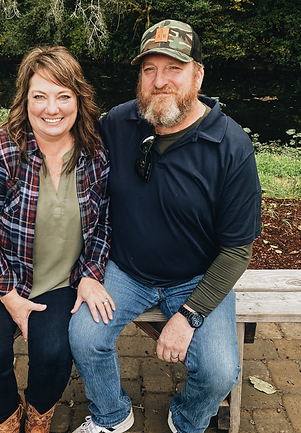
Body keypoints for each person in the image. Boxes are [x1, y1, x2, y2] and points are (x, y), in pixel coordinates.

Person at [69, 19, 262, 433]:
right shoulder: (118, 124)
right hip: (124, 270)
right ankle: (111, 416)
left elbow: (236, 250)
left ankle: (187, 420)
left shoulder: (231, 146)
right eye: (149, 69)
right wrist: (6, 145)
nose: (160, 81)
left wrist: (189, 316)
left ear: (198, 74)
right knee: (84, 337)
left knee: (218, 370)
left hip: (196, 277)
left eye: (174, 68)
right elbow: (62, 148)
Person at [0, 46, 114, 433]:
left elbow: (105, 222)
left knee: (54, 354)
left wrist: (92, 273)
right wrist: (10, 297)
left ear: (79, 99)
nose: (52, 108)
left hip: (60, 277)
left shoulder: (94, 152)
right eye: (40, 96)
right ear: (24, 99)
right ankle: (6, 422)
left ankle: (38, 418)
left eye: (64, 96)